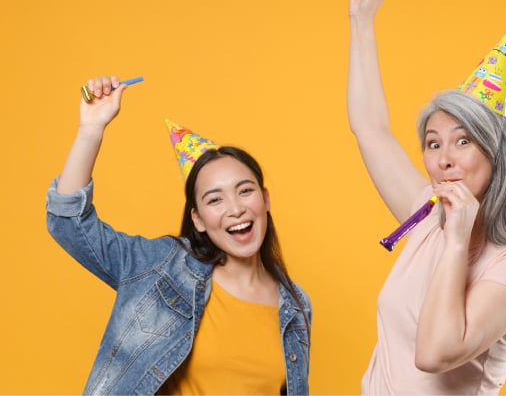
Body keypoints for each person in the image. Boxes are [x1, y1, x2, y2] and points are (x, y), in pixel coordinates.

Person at [347, 0, 506, 394]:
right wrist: (362, 22)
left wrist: (458, 239)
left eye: (463, 140)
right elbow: (369, 128)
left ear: (496, 153)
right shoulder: (427, 219)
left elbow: (433, 354)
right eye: (433, 143)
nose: (443, 158)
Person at [46, 75, 311, 395]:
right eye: (215, 199)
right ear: (197, 219)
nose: (235, 208)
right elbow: (69, 224)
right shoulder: (162, 267)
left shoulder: (295, 305)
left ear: (265, 199)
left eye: (245, 191)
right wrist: (90, 130)